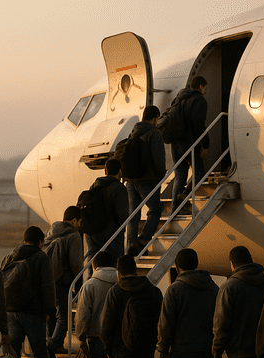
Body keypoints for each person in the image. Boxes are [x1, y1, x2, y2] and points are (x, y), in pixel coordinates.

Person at [2, 226, 60, 358]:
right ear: (41, 242)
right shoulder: (41, 257)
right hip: (33, 312)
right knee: (39, 352)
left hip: (11, 310)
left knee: (13, 351)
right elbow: (48, 287)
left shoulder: (11, 255)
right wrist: (50, 311)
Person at [125, 105, 166, 256]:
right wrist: (161, 175)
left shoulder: (133, 132)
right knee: (155, 210)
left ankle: (131, 245)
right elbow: (158, 158)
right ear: (155, 117)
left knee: (133, 213)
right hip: (147, 180)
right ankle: (143, 239)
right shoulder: (154, 133)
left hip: (131, 180)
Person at [44, 206, 84, 358]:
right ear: (74, 220)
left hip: (47, 281)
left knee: (52, 315)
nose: (80, 225)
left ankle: (52, 347)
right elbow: (76, 264)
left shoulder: (51, 231)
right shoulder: (73, 235)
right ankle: (51, 346)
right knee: (65, 318)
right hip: (62, 282)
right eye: (79, 221)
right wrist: (78, 286)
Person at [168, 75, 209, 214]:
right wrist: (205, 144)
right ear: (200, 86)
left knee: (180, 175)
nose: (205, 91)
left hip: (175, 142)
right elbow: (198, 125)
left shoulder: (178, 98)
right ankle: (185, 195)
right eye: (205, 88)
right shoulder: (199, 100)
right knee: (200, 173)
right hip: (189, 143)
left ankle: (175, 208)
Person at [84, 158, 128, 266]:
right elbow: (122, 215)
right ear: (120, 171)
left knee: (94, 266)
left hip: (92, 234)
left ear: (105, 171)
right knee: (113, 267)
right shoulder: (119, 188)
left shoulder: (94, 185)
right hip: (111, 234)